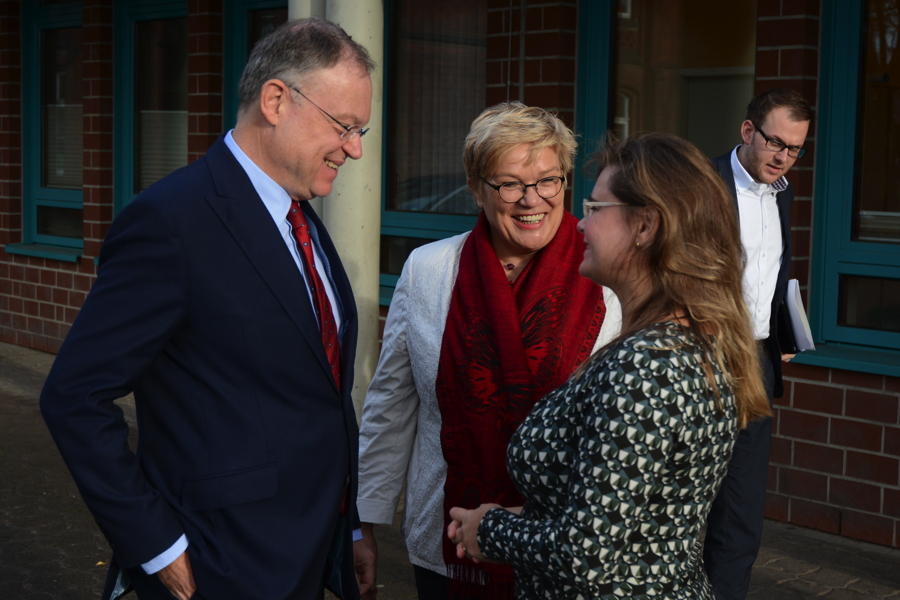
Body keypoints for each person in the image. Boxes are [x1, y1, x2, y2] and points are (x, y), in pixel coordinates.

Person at [40, 18, 376, 600]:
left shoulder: (302, 220)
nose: (355, 148)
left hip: (310, 551)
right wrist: (156, 548)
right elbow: (74, 396)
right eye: (343, 126)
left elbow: (319, 392)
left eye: (360, 129)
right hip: (217, 565)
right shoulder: (170, 221)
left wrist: (348, 528)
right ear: (276, 101)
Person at [447, 132, 772, 599]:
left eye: (597, 209)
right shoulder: (683, 342)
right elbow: (638, 519)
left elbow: (586, 555)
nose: (581, 224)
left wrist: (489, 530)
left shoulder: (647, 366)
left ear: (646, 226)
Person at [356, 102, 622, 599]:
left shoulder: (609, 276)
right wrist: (363, 522)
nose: (531, 199)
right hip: (448, 543)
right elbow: (392, 403)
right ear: (476, 189)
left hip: (563, 546)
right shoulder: (429, 270)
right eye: (509, 184)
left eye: (548, 180)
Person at [702, 88, 812, 600]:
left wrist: (780, 331)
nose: (783, 157)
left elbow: (770, 273)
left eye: (795, 149)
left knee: (741, 507)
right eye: (776, 143)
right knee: (677, 494)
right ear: (748, 131)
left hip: (756, 362)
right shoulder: (701, 183)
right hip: (699, 357)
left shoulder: (781, 193)